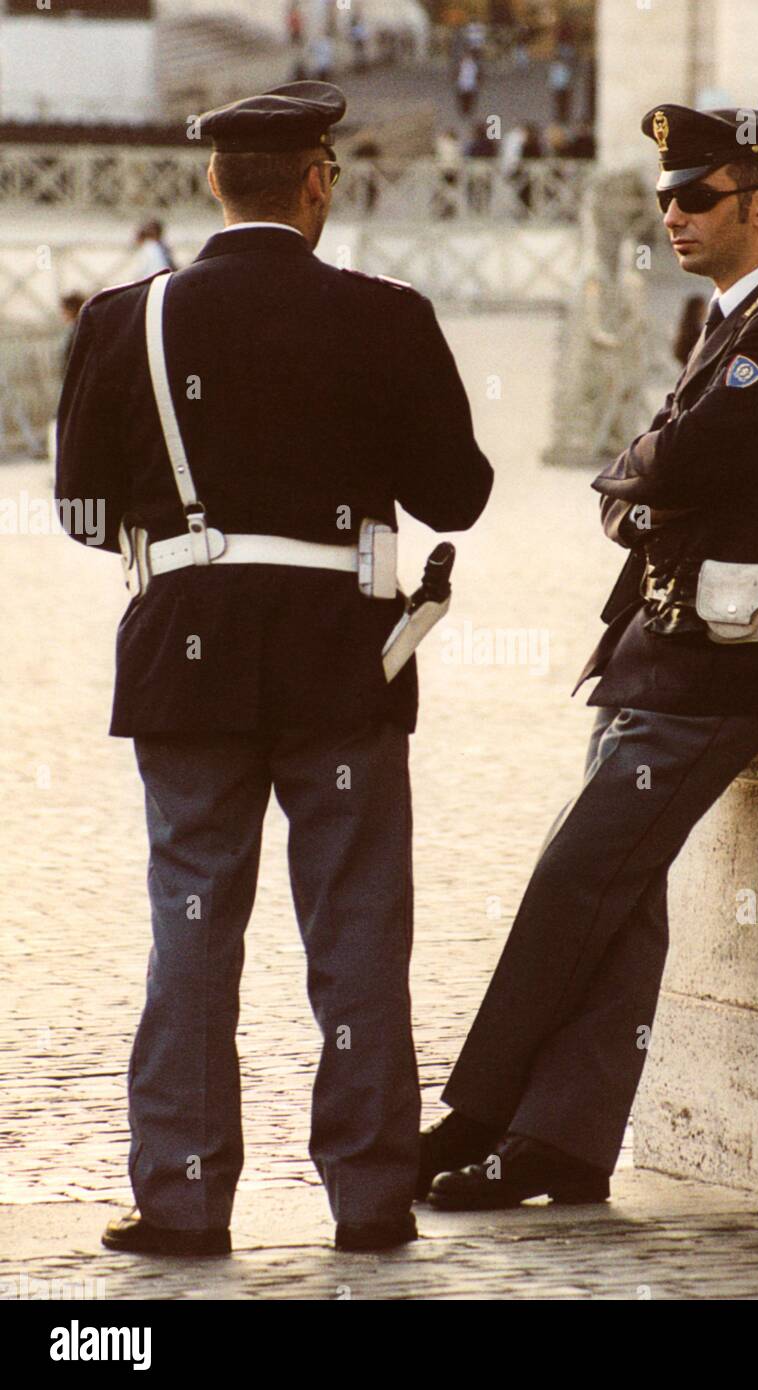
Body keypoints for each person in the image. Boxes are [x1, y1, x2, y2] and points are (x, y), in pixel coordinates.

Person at [55, 81, 492, 1254]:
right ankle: (369, 1198)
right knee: (355, 930)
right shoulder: (386, 314)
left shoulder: (123, 317)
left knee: (192, 924)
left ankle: (184, 1200)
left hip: (184, 660)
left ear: (212, 182)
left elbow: (84, 509)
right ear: (315, 184)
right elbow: (460, 494)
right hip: (341, 656)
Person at [418, 102, 758, 1210]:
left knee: (577, 877)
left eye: (697, 196)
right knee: (618, 897)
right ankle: (560, 1148)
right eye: (667, 196)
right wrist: (645, 477)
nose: (672, 214)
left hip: (718, 663)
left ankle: (473, 1112)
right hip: (661, 652)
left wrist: (640, 479)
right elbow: (656, 470)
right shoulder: (733, 320)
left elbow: (670, 464)